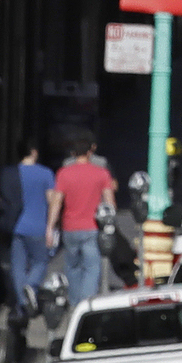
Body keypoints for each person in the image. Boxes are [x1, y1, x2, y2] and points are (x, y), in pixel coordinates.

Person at [0, 141, 57, 349]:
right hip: (38, 227)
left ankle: (21, 303)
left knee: (17, 265)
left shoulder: (10, 173)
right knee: (40, 261)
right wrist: (52, 226)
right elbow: (51, 200)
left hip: (16, 226)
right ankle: (31, 288)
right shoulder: (45, 174)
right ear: (34, 152)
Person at [52, 133, 117, 311]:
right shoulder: (101, 173)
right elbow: (110, 202)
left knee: (72, 267)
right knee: (91, 268)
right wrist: (111, 224)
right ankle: (86, 305)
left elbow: (57, 203)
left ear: (73, 153)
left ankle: (74, 303)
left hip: (69, 227)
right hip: (92, 227)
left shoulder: (64, 173)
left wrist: (50, 227)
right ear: (90, 152)